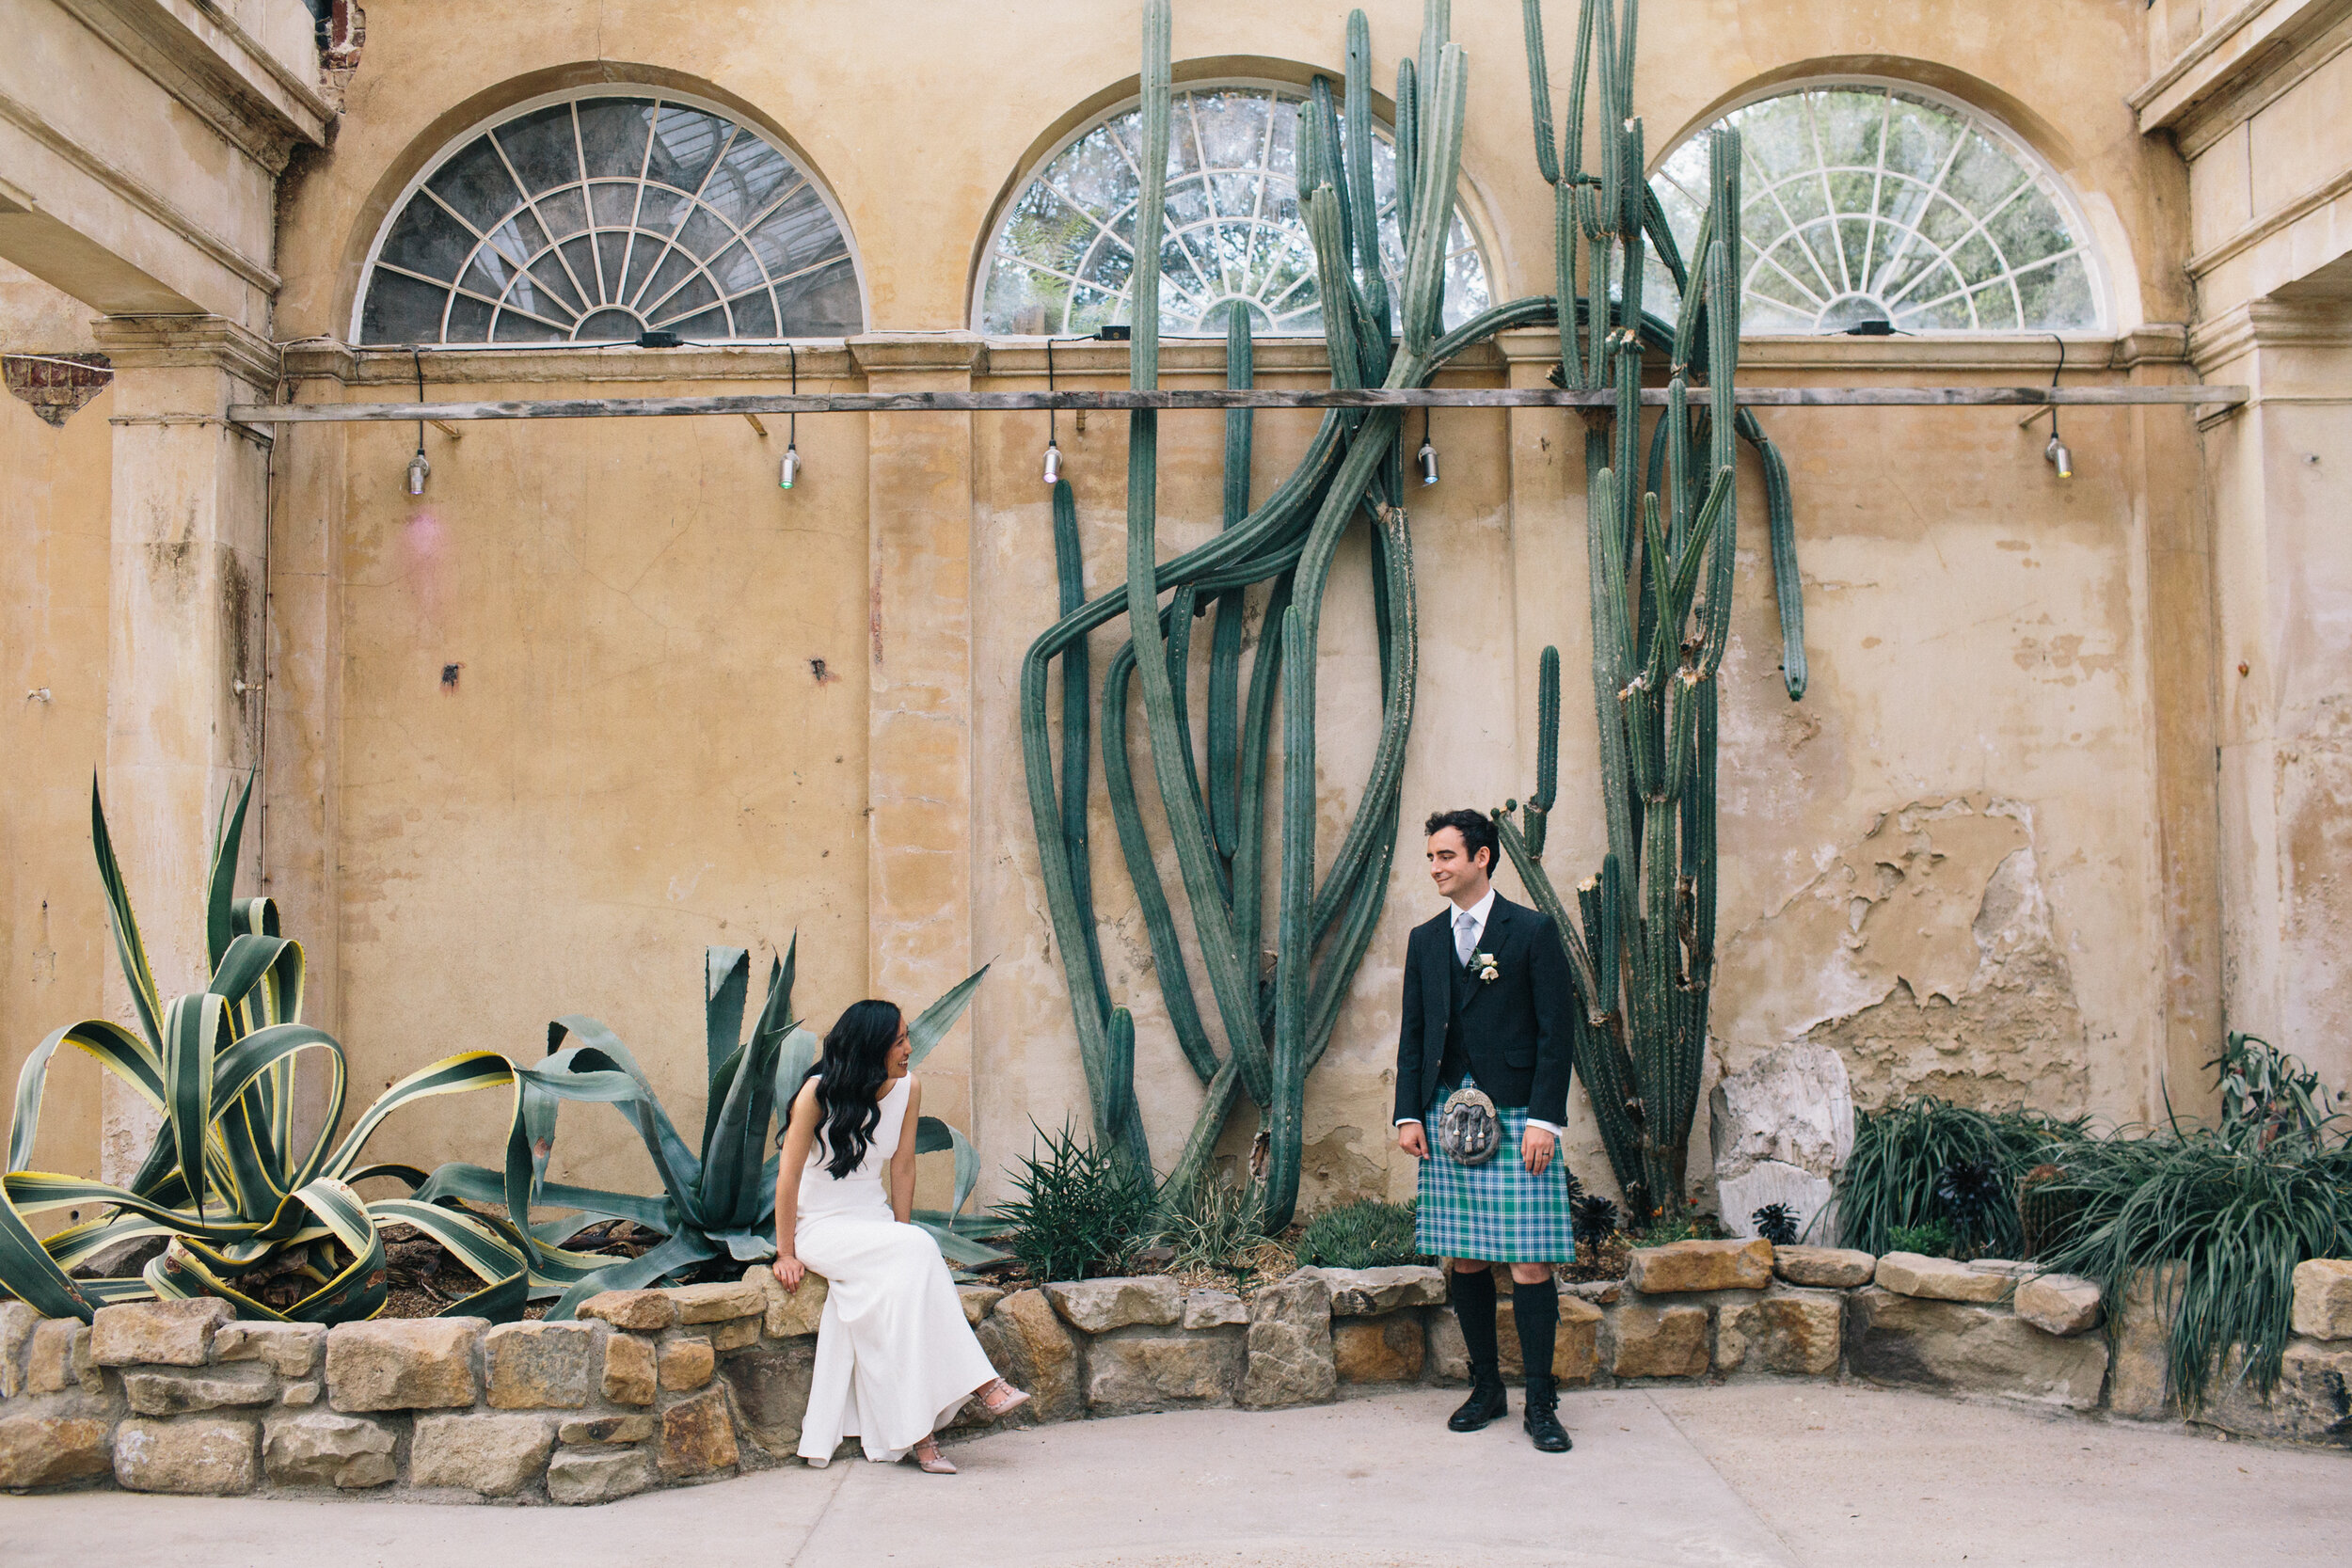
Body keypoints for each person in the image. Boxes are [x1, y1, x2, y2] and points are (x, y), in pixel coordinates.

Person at [773, 998, 1029, 1472]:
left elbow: (904, 1165)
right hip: (822, 1228)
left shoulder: (909, 1088)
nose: (910, 1049)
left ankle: (922, 1436)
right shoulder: (816, 1094)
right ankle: (984, 1385)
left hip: (874, 1225)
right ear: (872, 1047)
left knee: (900, 1296)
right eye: (899, 1041)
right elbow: (787, 1179)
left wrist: (900, 1237)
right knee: (915, 1250)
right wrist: (785, 1252)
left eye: (908, 1037)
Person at [1394, 808, 1578, 1453]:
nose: (1437, 867)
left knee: (1529, 1262)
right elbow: (1414, 1032)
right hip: (1447, 1117)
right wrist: (1408, 1112)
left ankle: (1541, 1401)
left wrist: (1546, 1120)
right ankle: (1486, 1387)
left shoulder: (1530, 930)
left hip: (1521, 1113)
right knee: (1466, 1254)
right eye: (1431, 857)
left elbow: (1559, 1032)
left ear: (1483, 857)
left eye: (1446, 855)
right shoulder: (1424, 939)